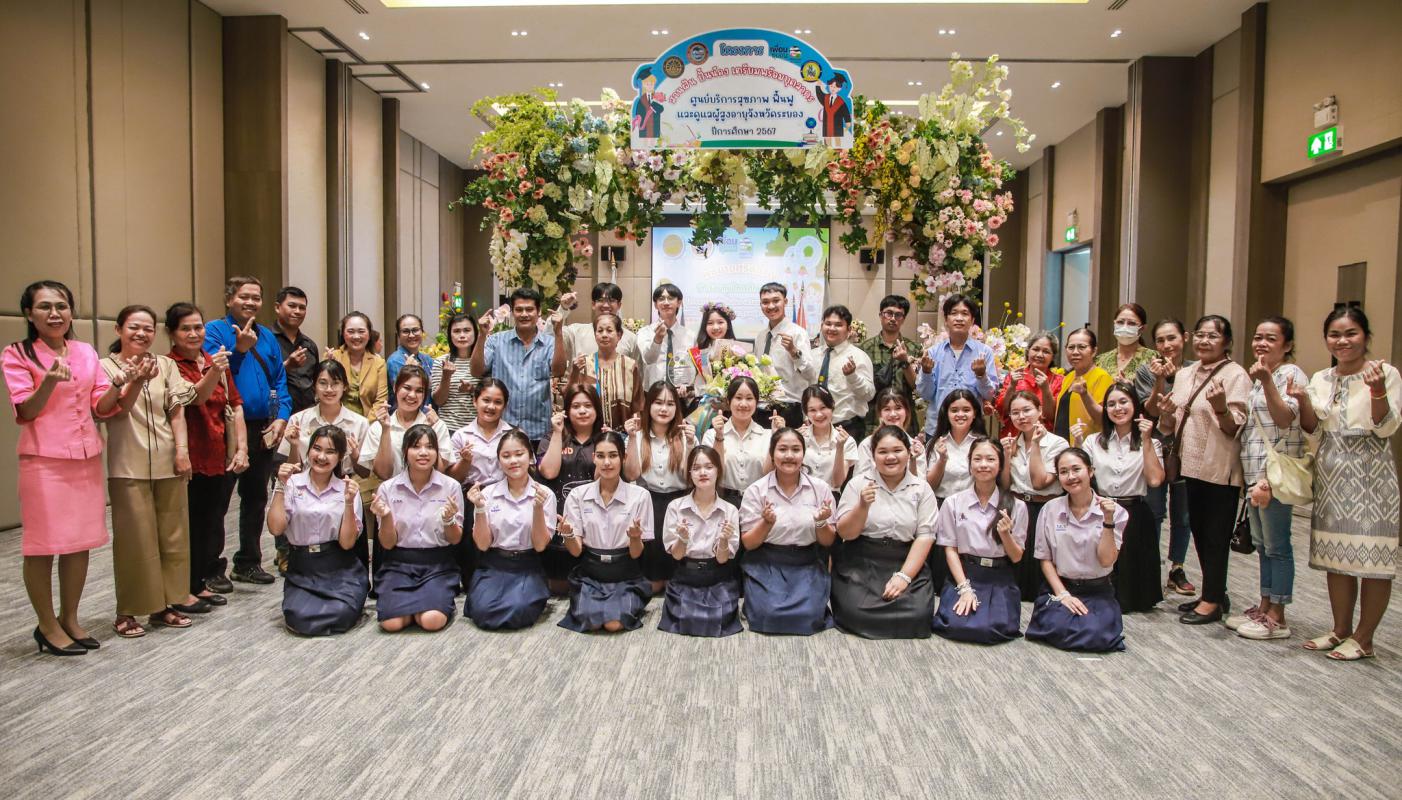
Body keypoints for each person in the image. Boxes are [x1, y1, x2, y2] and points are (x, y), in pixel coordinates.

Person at [4, 281, 127, 655]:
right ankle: (46, 625)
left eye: (61, 306)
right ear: (29, 314)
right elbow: (25, 411)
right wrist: (47, 383)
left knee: (79, 543)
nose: (54, 313)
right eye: (45, 307)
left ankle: (69, 618)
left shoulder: (85, 352)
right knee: (42, 546)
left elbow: (100, 407)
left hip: (85, 458)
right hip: (44, 461)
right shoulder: (17, 354)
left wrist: (120, 385)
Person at [1294, 307, 1399, 661]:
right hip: (1331, 471)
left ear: (1366, 336)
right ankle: (1340, 629)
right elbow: (1312, 428)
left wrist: (1377, 389)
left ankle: (1364, 638)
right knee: (1335, 554)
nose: (1342, 341)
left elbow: (1386, 427)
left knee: (1373, 557)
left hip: (1372, 473)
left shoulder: (1385, 373)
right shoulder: (1321, 378)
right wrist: (1302, 400)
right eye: (1335, 334)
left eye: (1351, 333)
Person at [101, 306, 201, 638]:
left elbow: (177, 412)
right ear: (118, 330)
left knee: (173, 537)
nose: (142, 334)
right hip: (127, 464)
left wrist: (182, 452)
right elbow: (110, 411)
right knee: (135, 541)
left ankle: (164, 605)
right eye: (134, 327)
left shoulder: (166, 365)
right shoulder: (104, 367)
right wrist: (131, 380)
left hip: (168, 461)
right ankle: (127, 610)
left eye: (148, 328)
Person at [1156, 315, 1250, 626]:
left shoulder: (1236, 376)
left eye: (1212, 336)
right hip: (1189, 464)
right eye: (1200, 334)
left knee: (1215, 535)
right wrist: (1166, 414)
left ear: (1227, 342)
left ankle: (1212, 601)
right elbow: (1171, 424)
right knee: (1198, 530)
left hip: (1219, 467)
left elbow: (1235, 427)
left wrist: (1221, 407)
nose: (1204, 341)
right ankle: (1214, 593)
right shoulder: (1185, 374)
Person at [202, 276, 291, 585]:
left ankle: (248, 562)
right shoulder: (214, 331)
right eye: (244, 296)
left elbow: (280, 381)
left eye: (256, 297)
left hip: (263, 427)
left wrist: (282, 417)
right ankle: (210, 568)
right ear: (229, 300)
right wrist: (239, 350)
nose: (251, 302)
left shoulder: (267, 337)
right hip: (226, 427)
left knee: (255, 498)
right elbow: (213, 376)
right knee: (219, 500)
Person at [1229, 317, 1307, 641]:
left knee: (1278, 546)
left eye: (1271, 338)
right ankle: (1264, 605)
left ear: (1287, 345)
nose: (1261, 343)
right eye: (1258, 337)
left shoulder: (1291, 374)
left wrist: (1267, 381)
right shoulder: (1261, 377)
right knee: (1261, 545)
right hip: (1255, 473)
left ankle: (1278, 616)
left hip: (1274, 475)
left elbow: (1285, 419)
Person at [167, 303, 247, 605]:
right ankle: (181, 589)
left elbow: (235, 404)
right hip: (187, 458)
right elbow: (195, 398)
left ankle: (199, 582)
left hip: (217, 455)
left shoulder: (214, 361)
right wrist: (214, 370)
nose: (193, 334)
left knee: (210, 523)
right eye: (185, 328)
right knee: (186, 526)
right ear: (172, 333)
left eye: (198, 327)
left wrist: (242, 448)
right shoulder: (169, 366)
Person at [832, 425, 939, 639]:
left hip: (905, 559)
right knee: (855, 613)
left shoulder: (921, 488)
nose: (890, 457)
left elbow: (925, 536)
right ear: (873, 456)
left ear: (908, 452)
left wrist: (904, 576)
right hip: (862, 559)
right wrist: (862, 506)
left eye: (897, 450)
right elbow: (845, 533)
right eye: (882, 452)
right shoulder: (858, 484)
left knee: (918, 615)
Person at [1025, 448, 1129, 652]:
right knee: (1056, 628)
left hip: (1097, 590)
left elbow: (1107, 560)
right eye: (1063, 472)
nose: (1071, 476)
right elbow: (1044, 559)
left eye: (1076, 469)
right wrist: (1063, 594)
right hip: (1062, 587)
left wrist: (1108, 521)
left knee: (1095, 635)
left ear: (1090, 471)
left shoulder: (1115, 512)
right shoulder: (1050, 509)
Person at [267, 426, 366, 636]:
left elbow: (347, 543)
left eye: (330, 452)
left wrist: (349, 503)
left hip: (339, 566)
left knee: (342, 613)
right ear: (309, 449)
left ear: (340, 456)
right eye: (317, 449)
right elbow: (276, 528)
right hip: (303, 567)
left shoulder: (347, 488)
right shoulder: (292, 483)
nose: (321, 457)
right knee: (299, 617)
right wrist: (280, 485)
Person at [739, 427, 837, 635]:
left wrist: (821, 522)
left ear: (804, 453)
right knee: (768, 615)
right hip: (767, 563)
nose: (789, 455)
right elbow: (748, 543)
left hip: (807, 563)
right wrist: (766, 523)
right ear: (772, 454)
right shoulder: (756, 490)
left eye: (796, 449)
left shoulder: (820, 489)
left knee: (809, 616)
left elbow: (828, 542)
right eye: (782, 449)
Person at [931, 436, 1028, 644]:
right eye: (977, 459)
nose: (983, 464)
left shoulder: (1017, 506)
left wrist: (1005, 535)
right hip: (965, 574)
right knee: (954, 625)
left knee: (992, 629)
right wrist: (964, 588)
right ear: (970, 464)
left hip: (999, 577)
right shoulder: (953, 503)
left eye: (990, 459)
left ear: (1000, 464)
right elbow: (950, 550)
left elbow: (1017, 557)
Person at [370, 424, 464, 632]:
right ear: (405, 451)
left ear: (437, 452)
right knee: (391, 624)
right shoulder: (388, 488)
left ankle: (421, 607)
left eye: (429, 447)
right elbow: (387, 543)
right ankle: (411, 608)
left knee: (431, 621)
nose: (423, 452)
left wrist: (449, 520)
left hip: (437, 565)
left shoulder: (451, 487)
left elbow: (455, 539)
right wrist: (386, 516)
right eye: (416, 446)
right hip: (399, 565)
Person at [558, 432, 655, 633]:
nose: (607, 462)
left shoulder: (640, 496)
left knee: (613, 624)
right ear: (593, 458)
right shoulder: (578, 495)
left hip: (625, 574)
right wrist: (568, 535)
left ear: (623, 457)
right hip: (590, 574)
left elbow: (636, 553)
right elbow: (575, 551)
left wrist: (635, 537)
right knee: (591, 622)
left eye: (613, 455)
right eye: (601, 456)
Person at [1084, 383, 1164, 613]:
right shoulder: (1093, 441)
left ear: (1135, 405)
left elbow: (1155, 480)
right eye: (1111, 404)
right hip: (1102, 509)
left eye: (1123, 402)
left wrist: (1146, 440)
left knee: (1133, 582)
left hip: (1134, 511)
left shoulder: (1151, 442)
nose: (1118, 408)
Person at [464, 430, 555, 630]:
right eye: (506, 456)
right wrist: (479, 508)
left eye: (519, 454)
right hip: (494, 564)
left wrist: (537, 508)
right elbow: (483, 544)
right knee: (482, 612)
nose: (513, 461)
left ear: (530, 457)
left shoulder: (545, 494)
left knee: (519, 610)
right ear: (499, 461)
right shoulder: (488, 493)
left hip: (527, 565)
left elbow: (540, 545)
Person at [1136, 319, 1196, 596]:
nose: (1166, 345)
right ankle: (1151, 566)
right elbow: (1150, 410)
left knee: (1182, 513)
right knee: (1154, 510)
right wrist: (1161, 379)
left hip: (1187, 448)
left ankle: (1177, 568)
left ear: (1184, 337)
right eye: (1160, 340)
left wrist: (1178, 379)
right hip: (1156, 447)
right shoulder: (1146, 371)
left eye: (1171, 338)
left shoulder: (1196, 370)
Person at [660, 446, 743, 637]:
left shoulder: (730, 510)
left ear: (718, 471)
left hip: (718, 578)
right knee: (686, 619)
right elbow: (676, 555)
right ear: (690, 473)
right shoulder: (675, 507)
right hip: (685, 577)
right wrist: (683, 539)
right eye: (696, 468)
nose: (703, 472)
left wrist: (723, 541)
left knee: (717, 620)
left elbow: (723, 559)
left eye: (709, 467)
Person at [623, 381, 695, 593]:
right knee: (653, 583)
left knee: (677, 581)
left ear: (677, 408)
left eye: (670, 404)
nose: (664, 409)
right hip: (649, 504)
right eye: (658, 403)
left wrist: (691, 444)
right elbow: (631, 474)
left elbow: (690, 478)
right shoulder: (638, 435)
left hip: (681, 504)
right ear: (648, 405)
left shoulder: (685, 436)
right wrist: (631, 438)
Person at [1001, 390, 1070, 600]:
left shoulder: (1058, 443)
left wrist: (1036, 445)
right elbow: (1005, 484)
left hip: (1046, 507)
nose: (1021, 417)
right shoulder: (1011, 443)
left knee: (1044, 565)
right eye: (1015, 413)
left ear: (1040, 411)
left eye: (1027, 410)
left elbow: (1040, 483)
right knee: (1018, 568)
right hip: (1018, 507)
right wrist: (1006, 456)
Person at [447, 378, 515, 585]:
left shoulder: (512, 434)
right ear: (475, 401)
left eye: (498, 402)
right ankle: (472, 583)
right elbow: (454, 478)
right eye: (486, 400)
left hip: (505, 496)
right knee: (472, 548)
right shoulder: (461, 435)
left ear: (504, 405)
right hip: (472, 496)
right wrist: (465, 462)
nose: (491, 407)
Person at [535, 383, 597, 594]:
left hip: (594, 525)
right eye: (576, 406)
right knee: (558, 589)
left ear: (596, 409)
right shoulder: (551, 437)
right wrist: (557, 433)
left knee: (589, 587)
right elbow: (549, 472)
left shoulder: (604, 438)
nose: (582, 411)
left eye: (588, 405)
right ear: (567, 410)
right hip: (560, 525)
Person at [472, 287, 554, 445]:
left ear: (538, 312)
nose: (524, 314)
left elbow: (559, 371)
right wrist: (481, 335)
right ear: (512, 312)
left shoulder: (550, 343)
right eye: (519, 309)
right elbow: (476, 371)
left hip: (539, 430)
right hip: (503, 429)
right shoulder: (496, 341)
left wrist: (558, 332)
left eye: (529, 309)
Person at [917, 294, 1000, 440]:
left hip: (972, 428)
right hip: (937, 427)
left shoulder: (984, 352)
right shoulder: (933, 353)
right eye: (954, 313)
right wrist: (926, 372)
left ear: (972, 320)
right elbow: (925, 394)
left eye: (965, 314)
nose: (959, 318)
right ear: (946, 319)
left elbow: (990, 395)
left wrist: (981, 376)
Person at [360, 365, 454, 481]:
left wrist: (429, 431)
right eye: (407, 388)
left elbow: (439, 471)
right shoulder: (378, 427)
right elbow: (383, 474)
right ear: (395, 387)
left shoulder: (437, 425)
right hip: (391, 491)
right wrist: (385, 430)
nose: (412, 395)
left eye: (419, 391)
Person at [279, 360, 369, 478]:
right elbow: (291, 473)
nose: (329, 389)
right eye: (323, 383)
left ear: (345, 386)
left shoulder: (360, 423)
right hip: (305, 483)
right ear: (314, 386)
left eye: (335, 383)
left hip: (344, 484)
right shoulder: (298, 420)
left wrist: (354, 455)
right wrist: (294, 446)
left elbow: (365, 473)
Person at [555, 312, 642, 429]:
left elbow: (637, 406)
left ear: (619, 335)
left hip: (622, 435)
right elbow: (567, 397)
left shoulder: (630, 366)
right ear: (595, 335)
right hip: (589, 434)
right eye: (600, 331)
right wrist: (575, 373)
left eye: (609, 330)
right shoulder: (583, 364)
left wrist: (635, 433)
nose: (604, 335)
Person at [701, 376, 772, 508]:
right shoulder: (711, 435)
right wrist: (719, 436)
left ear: (756, 402)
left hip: (759, 502)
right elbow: (713, 472)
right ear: (729, 401)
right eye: (738, 398)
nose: (743, 404)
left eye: (749, 398)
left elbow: (771, 473)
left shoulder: (768, 436)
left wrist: (777, 437)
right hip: (722, 502)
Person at [754, 282, 817, 428]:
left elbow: (810, 374)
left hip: (789, 408)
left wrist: (794, 351)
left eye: (776, 301)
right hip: (761, 407)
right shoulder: (761, 336)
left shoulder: (798, 333)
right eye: (765, 302)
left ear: (785, 302)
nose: (771, 306)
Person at [858, 295, 921, 436]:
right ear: (881, 315)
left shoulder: (914, 348)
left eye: (898, 315)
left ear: (903, 319)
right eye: (889, 313)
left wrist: (905, 361)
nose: (893, 318)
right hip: (873, 419)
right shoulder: (865, 348)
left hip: (905, 420)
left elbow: (917, 386)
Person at [812, 305, 874, 440]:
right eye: (828, 324)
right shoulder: (813, 356)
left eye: (838, 325)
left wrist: (853, 376)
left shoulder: (858, 356)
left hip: (847, 427)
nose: (832, 328)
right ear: (822, 326)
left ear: (849, 329)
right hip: (815, 427)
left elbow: (869, 394)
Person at [853, 388, 927, 483]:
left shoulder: (916, 446)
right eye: (887, 409)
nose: (893, 414)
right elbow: (859, 481)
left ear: (907, 411)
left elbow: (920, 485)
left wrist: (913, 460)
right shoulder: (867, 444)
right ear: (880, 413)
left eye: (898, 408)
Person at [927, 388, 988, 501]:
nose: (960, 414)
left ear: (974, 413)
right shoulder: (936, 443)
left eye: (966, 410)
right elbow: (929, 487)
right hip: (941, 504)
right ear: (947, 414)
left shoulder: (984, 444)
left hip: (974, 505)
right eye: (954, 410)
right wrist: (942, 460)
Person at [636, 282, 698, 395]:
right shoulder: (644, 332)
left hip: (680, 395)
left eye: (670, 298)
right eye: (661, 299)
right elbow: (648, 359)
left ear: (679, 302)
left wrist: (688, 385)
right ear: (655, 305)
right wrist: (657, 339)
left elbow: (695, 368)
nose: (666, 303)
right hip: (652, 394)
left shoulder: (691, 336)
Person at [994, 333, 1062, 435]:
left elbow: (1052, 417)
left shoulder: (1059, 380)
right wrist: (1012, 386)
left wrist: (1046, 390)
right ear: (1028, 351)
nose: (1039, 355)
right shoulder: (1014, 376)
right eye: (1036, 349)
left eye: (1046, 351)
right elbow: (1002, 411)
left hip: (1044, 437)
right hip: (1013, 436)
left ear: (1053, 357)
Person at [1055, 327, 1112, 447]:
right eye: (1071, 347)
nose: (1075, 352)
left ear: (1094, 351)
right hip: (1063, 445)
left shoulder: (1102, 377)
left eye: (1081, 347)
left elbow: (1105, 419)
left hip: (1088, 445)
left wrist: (1085, 395)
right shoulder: (1068, 377)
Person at [555, 283, 639, 363]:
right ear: (593, 304)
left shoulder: (630, 338)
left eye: (611, 300)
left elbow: (638, 370)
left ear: (619, 305)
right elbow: (551, 334)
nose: (606, 305)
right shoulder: (575, 331)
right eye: (601, 300)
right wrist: (563, 309)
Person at [327, 311, 388, 419]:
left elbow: (380, 401)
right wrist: (330, 365)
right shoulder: (333, 357)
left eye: (361, 331)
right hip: (336, 420)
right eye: (350, 331)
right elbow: (325, 394)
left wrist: (365, 424)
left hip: (369, 422)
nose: (356, 336)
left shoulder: (379, 363)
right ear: (343, 334)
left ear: (369, 335)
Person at [798, 386, 856, 493]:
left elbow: (837, 483)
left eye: (823, 408)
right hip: (799, 496)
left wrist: (840, 447)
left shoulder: (847, 441)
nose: (819, 414)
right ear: (806, 413)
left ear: (832, 406)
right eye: (812, 410)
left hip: (830, 498)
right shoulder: (798, 437)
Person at [273, 286, 319, 414]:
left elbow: (314, 383)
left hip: (307, 415)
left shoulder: (309, 345)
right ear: (277, 307)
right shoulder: (265, 340)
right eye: (292, 306)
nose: (297, 311)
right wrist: (286, 366)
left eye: (302, 308)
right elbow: (260, 380)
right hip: (276, 415)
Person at [430, 312, 478, 434]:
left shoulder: (482, 362)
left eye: (467, 330)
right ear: (450, 335)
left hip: (477, 429)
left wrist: (472, 389)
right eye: (456, 331)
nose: (462, 335)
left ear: (475, 333)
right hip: (448, 428)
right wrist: (446, 377)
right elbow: (438, 401)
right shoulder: (441, 361)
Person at [1095, 302, 1158, 382]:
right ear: (1114, 324)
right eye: (1120, 322)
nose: (1124, 327)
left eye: (1132, 323)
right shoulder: (1100, 360)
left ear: (1142, 328)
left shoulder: (1154, 358)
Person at [386, 313, 434, 409]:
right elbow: (403, 392)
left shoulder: (427, 359)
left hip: (428, 414)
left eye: (415, 330)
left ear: (422, 332)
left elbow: (436, 388)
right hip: (407, 414)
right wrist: (411, 371)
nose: (411, 335)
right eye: (405, 331)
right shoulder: (395, 360)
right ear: (398, 335)